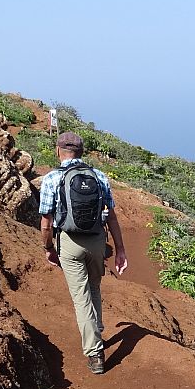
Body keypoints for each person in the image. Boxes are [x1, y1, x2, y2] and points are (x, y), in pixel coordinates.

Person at [39, 131, 128, 374]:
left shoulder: (51, 179)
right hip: (98, 241)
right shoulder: (99, 177)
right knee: (95, 286)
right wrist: (119, 249)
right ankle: (96, 328)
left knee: (81, 296)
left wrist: (48, 248)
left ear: (58, 151)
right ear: (82, 152)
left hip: (69, 241)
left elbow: (47, 223)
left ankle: (95, 354)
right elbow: (111, 216)